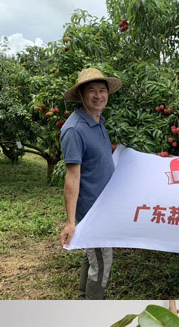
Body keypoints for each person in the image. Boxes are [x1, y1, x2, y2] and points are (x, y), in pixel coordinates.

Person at [59, 68, 122, 299]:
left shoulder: (97, 120)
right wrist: (70, 222)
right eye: (92, 91)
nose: (98, 96)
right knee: (102, 260)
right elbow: (72, 177)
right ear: (82, 95)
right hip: (92, 210)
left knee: (92, 255)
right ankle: (95, 302)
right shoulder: (75, 129)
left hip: (104, 205)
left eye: (102, 91)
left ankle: (84, 297)